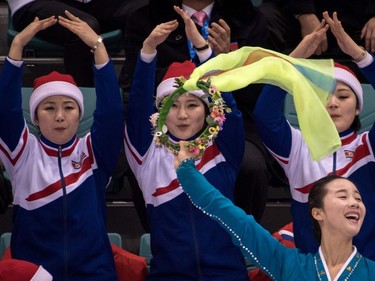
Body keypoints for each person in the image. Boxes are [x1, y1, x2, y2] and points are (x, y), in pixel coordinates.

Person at [120, 0, 288, 228]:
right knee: (146, 161)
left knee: (251, 163)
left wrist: (226, 65)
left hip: (228, 119)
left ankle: (246, 237)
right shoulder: (146, 18)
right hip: (167, 121)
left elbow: (255, 91)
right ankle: (157, 237)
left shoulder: (247, 16)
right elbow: (135, 87)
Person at [123, 13, 249, 280]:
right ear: (160, 112)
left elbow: (229, 106)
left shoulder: (222, 152)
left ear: (208, 111)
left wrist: (204, 51)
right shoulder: (148, 155)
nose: (181, 115)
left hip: (228, 274)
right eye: (172, 105)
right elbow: (136, 107)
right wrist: (147, 51)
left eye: (192, 105)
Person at [0, 11, 124, 280]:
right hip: (36, 275)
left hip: (95, 272)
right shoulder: (22, 154)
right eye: (48, 108)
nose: (59, 116)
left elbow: (112, 112)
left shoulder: (93, 152)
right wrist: (17, 47)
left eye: (68, 107)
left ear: (80, 114)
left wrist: (99, 48)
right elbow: (6, 111)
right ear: (34, 116)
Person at [253, 11, 375, 260]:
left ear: (358, 107)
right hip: (310, 270)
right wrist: (291, 61)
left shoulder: (368, 147)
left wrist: (359, 56)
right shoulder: (297, 147)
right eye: (322, 96)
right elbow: (264, 115)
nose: (332, 104)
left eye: (343, 96)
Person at [174, 141, 375, 280]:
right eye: (343, 196)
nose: (355, 202)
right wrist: (186, 171)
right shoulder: (288, 263)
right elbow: (229, 214)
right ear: (317, 213)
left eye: (358, 198)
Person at [8, 0, 147, 86]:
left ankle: (134, 94)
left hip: (92, 4)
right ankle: (82, 99)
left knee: (145, 11)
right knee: (82, 27)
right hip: (36, 2)